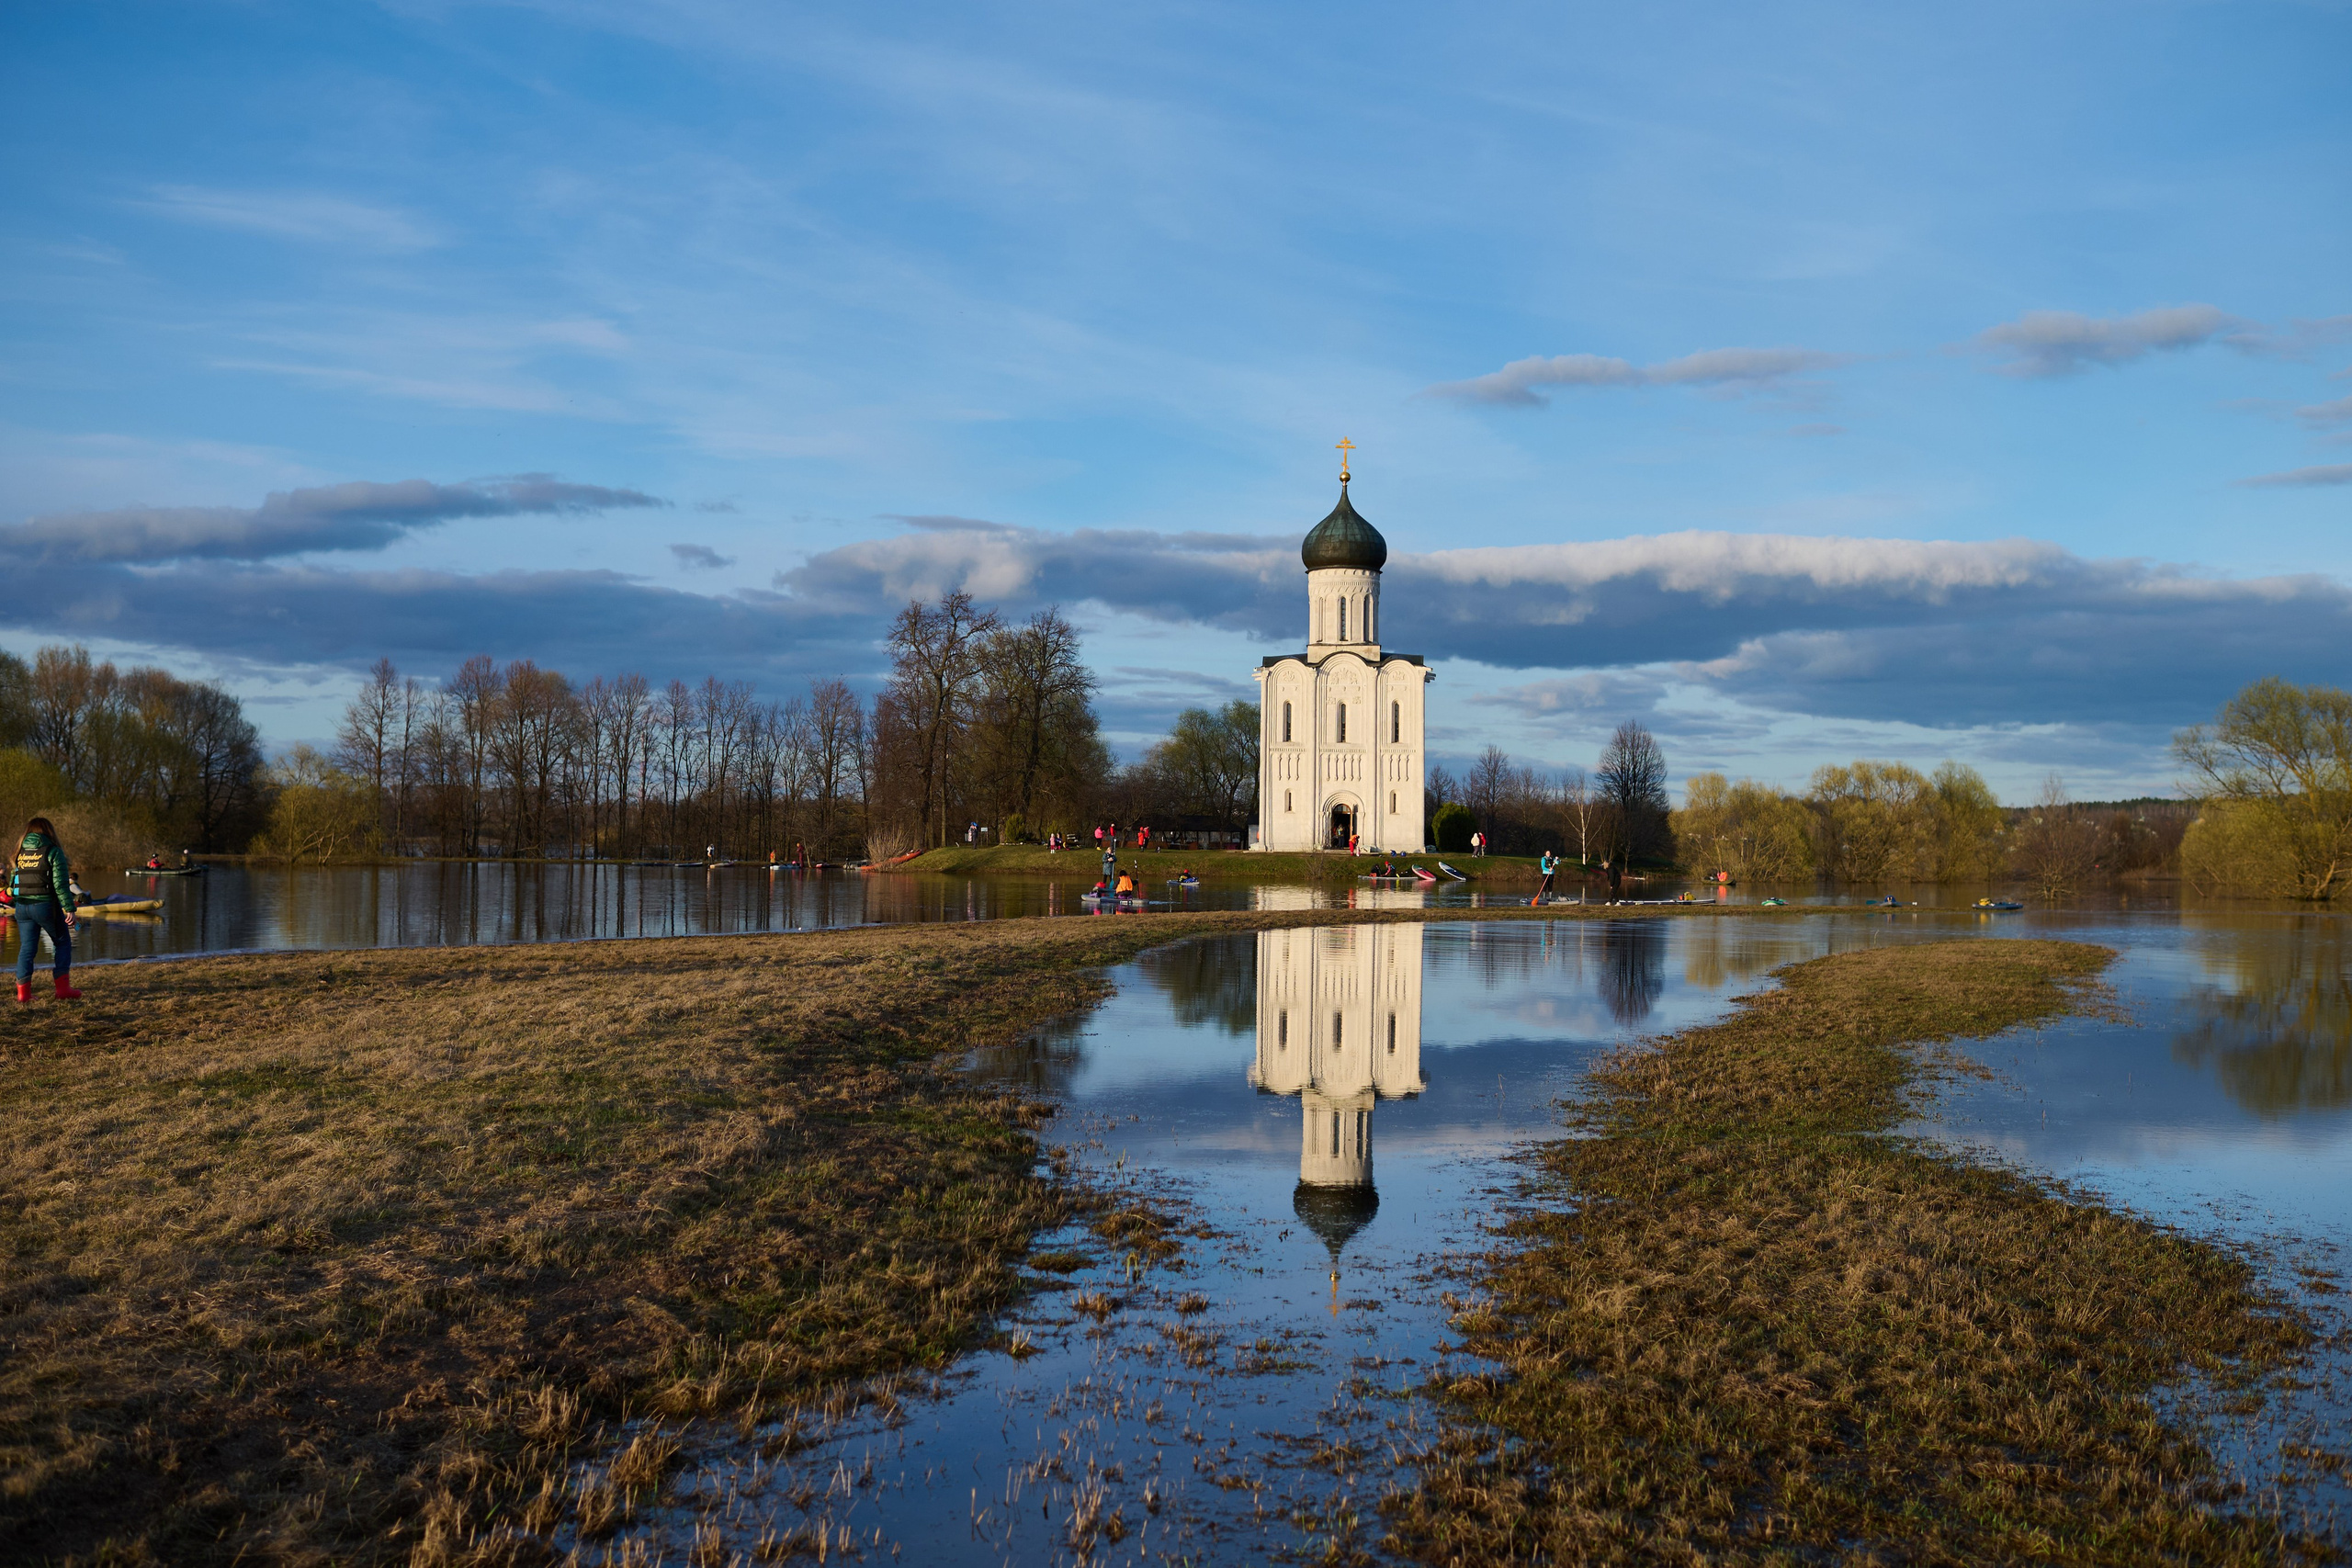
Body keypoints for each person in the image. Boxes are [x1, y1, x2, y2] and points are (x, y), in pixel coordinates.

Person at [11, 817, 79, 1002]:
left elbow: (13, 883)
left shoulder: (20, 852)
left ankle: (23, 994)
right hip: (45, 906)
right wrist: (69, 908)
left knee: (26, 949)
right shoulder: (53, 852)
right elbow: (60, 885)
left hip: (22, 907)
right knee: (63, 942)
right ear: (49, 832)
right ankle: (63, 989)